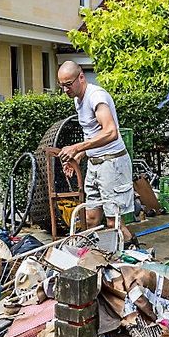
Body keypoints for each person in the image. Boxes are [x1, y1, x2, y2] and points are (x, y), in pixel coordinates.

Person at [56, 61, 136, 246]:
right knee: (91, 219)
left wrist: (77, 148)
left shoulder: (96, 96)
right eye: (62, 86)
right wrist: (80, 156)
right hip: (95, 164)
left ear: (81, 77)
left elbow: (110, 132)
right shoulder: (78, 99)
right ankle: (97, 260)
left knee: (113, 223)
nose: (66, 90)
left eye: (68, 84)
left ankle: (134, 253)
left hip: (112, 164)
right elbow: (93, 133)